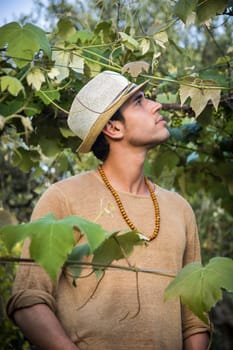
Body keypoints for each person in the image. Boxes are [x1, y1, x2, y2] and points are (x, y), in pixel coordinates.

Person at [7, 70, 210, 349]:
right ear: (113, 128)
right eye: (139, 101)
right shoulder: (63, 198)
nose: (156, 105)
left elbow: (195, 318)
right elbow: (28, 300)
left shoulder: (180, 209)